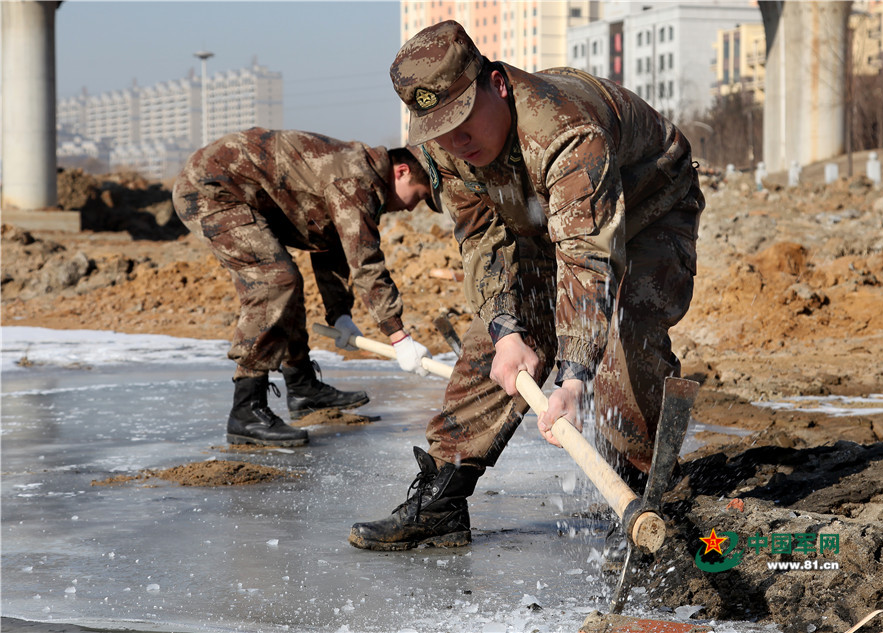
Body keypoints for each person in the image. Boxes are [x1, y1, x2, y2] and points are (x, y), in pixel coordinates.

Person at [348, 21, 704, 557]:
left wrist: (576, 374)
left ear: (497, 84)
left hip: (649, 207)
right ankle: (445, 496)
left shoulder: (566, 133)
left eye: (464, 118)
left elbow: (588, 256)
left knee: (626, 328)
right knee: (495, 349)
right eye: (438, 127)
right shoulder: (446, 150)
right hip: (540, 215)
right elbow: (482, 242)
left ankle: (643, 493)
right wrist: (507, 330)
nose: (455, 139)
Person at [173, 127, 434, 447]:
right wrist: (399, 335)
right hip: (212, 189)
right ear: (402, 171)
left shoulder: (359, 180)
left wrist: (340, 314)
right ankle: (246, 410)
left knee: (285, 280)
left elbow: (332, 244)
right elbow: (365, 262)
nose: (411, 208)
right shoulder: (356, 179)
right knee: (274, 280)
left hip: (240, 192)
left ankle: (302, 388)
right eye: (419, 196)